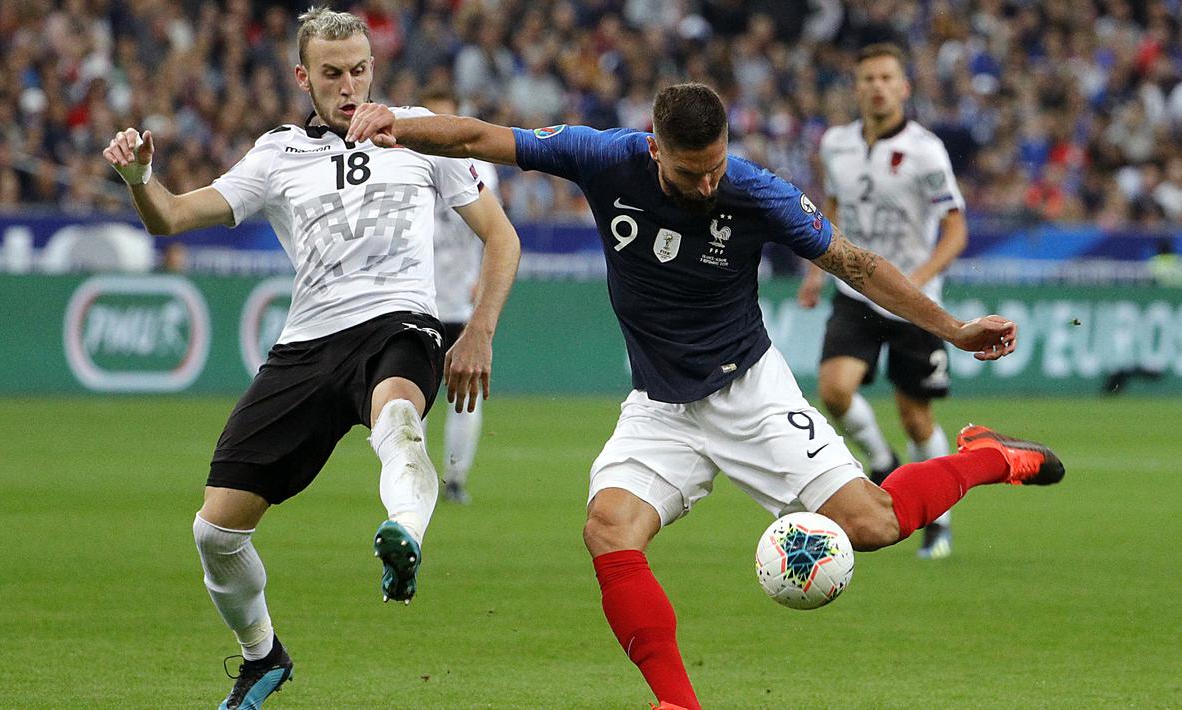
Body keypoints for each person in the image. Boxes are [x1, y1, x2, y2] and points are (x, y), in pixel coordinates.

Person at [346, 83, 1064, 710]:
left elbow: (857, 264)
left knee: (874, 526)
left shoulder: (756, 191)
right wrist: (394, 125)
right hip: (659, 404)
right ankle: (676, 701)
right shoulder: (603, 156)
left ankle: (988, 457)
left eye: (715, 167)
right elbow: (477, 137)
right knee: (607, 528)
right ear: (654, 148)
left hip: (747, 389)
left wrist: (953, 328)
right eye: (690, 173)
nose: (705, 186)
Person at [101, 8, 520, 710]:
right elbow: (171, 217)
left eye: (359, 69)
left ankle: (404, 540)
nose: (349, 84)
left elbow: (500, 237)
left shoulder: (419, 134)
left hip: (401, 322)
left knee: (399, 420)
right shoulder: (275, 154)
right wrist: (141, 178)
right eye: (332, 74)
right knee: (215, 532)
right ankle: (262, 657)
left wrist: (477, 329)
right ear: (303, 77)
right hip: (307, 344)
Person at [797, 43, 969, 560]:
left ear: (903, 87)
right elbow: (828, 210)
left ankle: (938, 522)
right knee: (834, 390)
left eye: (886, 77)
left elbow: (956, 230)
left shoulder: (926, 150)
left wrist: (914, 283)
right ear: (856, 87)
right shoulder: (835, 144)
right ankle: (880, 461)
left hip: (916, 303)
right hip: (856, 291)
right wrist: (813, 272)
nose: (876, 85)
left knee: (916, 416)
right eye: (867, 77)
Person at [421, 88, 502, 505]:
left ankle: (454, 478)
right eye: (433, 117)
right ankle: (412, 481)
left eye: (448, 118)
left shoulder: (480, 169)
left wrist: (483, 286)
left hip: (461, 299)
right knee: (408, 392)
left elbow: (495, 233)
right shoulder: (405, 161)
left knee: (463, 392)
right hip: (414, 298)